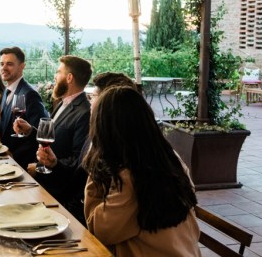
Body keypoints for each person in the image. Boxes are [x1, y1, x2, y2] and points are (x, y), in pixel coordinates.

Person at [83, 86, 200, 256]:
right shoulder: (169, 159)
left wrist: (95, 163)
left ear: (105, 129)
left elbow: (99, 230)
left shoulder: (130, 177)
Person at [14, 56, 92, 225]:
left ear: (69, 77)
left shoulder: (84, 112)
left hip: (58, 191)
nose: (55, 77)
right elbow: (53, 139)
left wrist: (50, 165)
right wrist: (31, 131)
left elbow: (79, 162)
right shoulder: (63, 102)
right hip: (45, 182)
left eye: (58, 72)